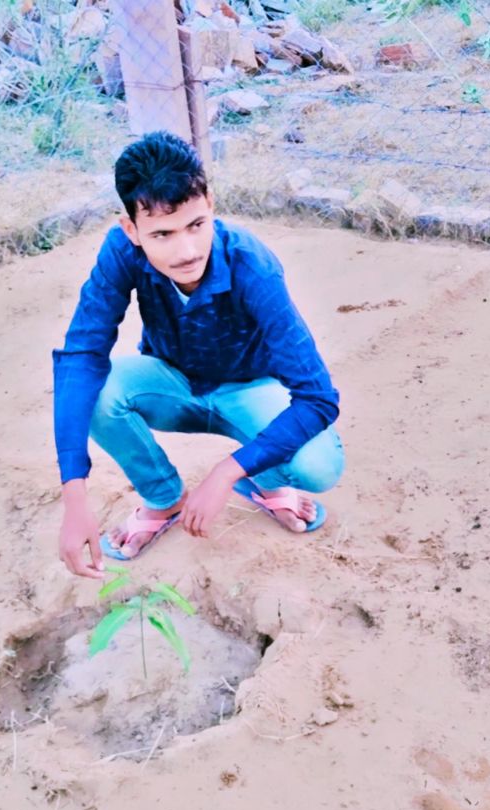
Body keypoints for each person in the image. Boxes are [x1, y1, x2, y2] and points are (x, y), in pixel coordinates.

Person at [54, 131, 344, 579]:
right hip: (173, 383)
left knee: (318, 467)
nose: (187, 251)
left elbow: (319, 398)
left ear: (210, 203)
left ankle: (264, 481)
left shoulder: (251, 264)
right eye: (162, 234)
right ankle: (164, 499)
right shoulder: (121, 252)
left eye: (196, 225)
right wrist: (74, 498)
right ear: (131, 230)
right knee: (93, 390)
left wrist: (226, 472)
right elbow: (81, 356)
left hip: (250, 388)